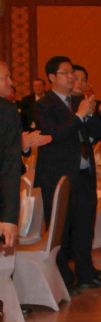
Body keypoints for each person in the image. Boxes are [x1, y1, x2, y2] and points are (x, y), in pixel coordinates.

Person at [35, 56, 101, 291]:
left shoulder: (78, 101)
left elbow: (98, 131)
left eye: (72, 72)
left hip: (84, 173)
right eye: (65, 73)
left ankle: (86, 273)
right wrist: (78, 117)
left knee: (85, 224)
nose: (71, 76)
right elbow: (54, 135)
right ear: (52, 77)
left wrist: (90, 112)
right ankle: (64, 278)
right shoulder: (44, 104)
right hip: (58, 176)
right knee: (62, 228)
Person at [0, 61, 22, 253]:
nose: (11, 82)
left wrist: (8, 217)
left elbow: (10, 166)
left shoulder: (6, 111)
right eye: (6, 77)